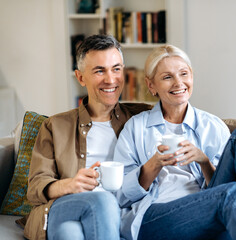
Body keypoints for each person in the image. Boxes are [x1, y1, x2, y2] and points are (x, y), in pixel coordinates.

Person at [114, 45, 236, 240]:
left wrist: (203, 161)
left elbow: (220, 191)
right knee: (234, 193)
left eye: (184, 74)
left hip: (208, 210)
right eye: (167, 77)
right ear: (151, 85)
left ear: (191, 76)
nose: (178, 83)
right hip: (157, 216)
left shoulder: (212, 125)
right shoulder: (136, 127)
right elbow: (122, 195)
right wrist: (154, 163)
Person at [24, 35, 152, 240]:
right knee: (103, 200)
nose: (111, 79)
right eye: (100, 70)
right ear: (81, 77)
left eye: (116, 69)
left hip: (116, 212)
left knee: (70, 233)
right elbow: (36, 186)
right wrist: (70, 184)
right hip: (66, 206)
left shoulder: (140, 118)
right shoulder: (55, 126)